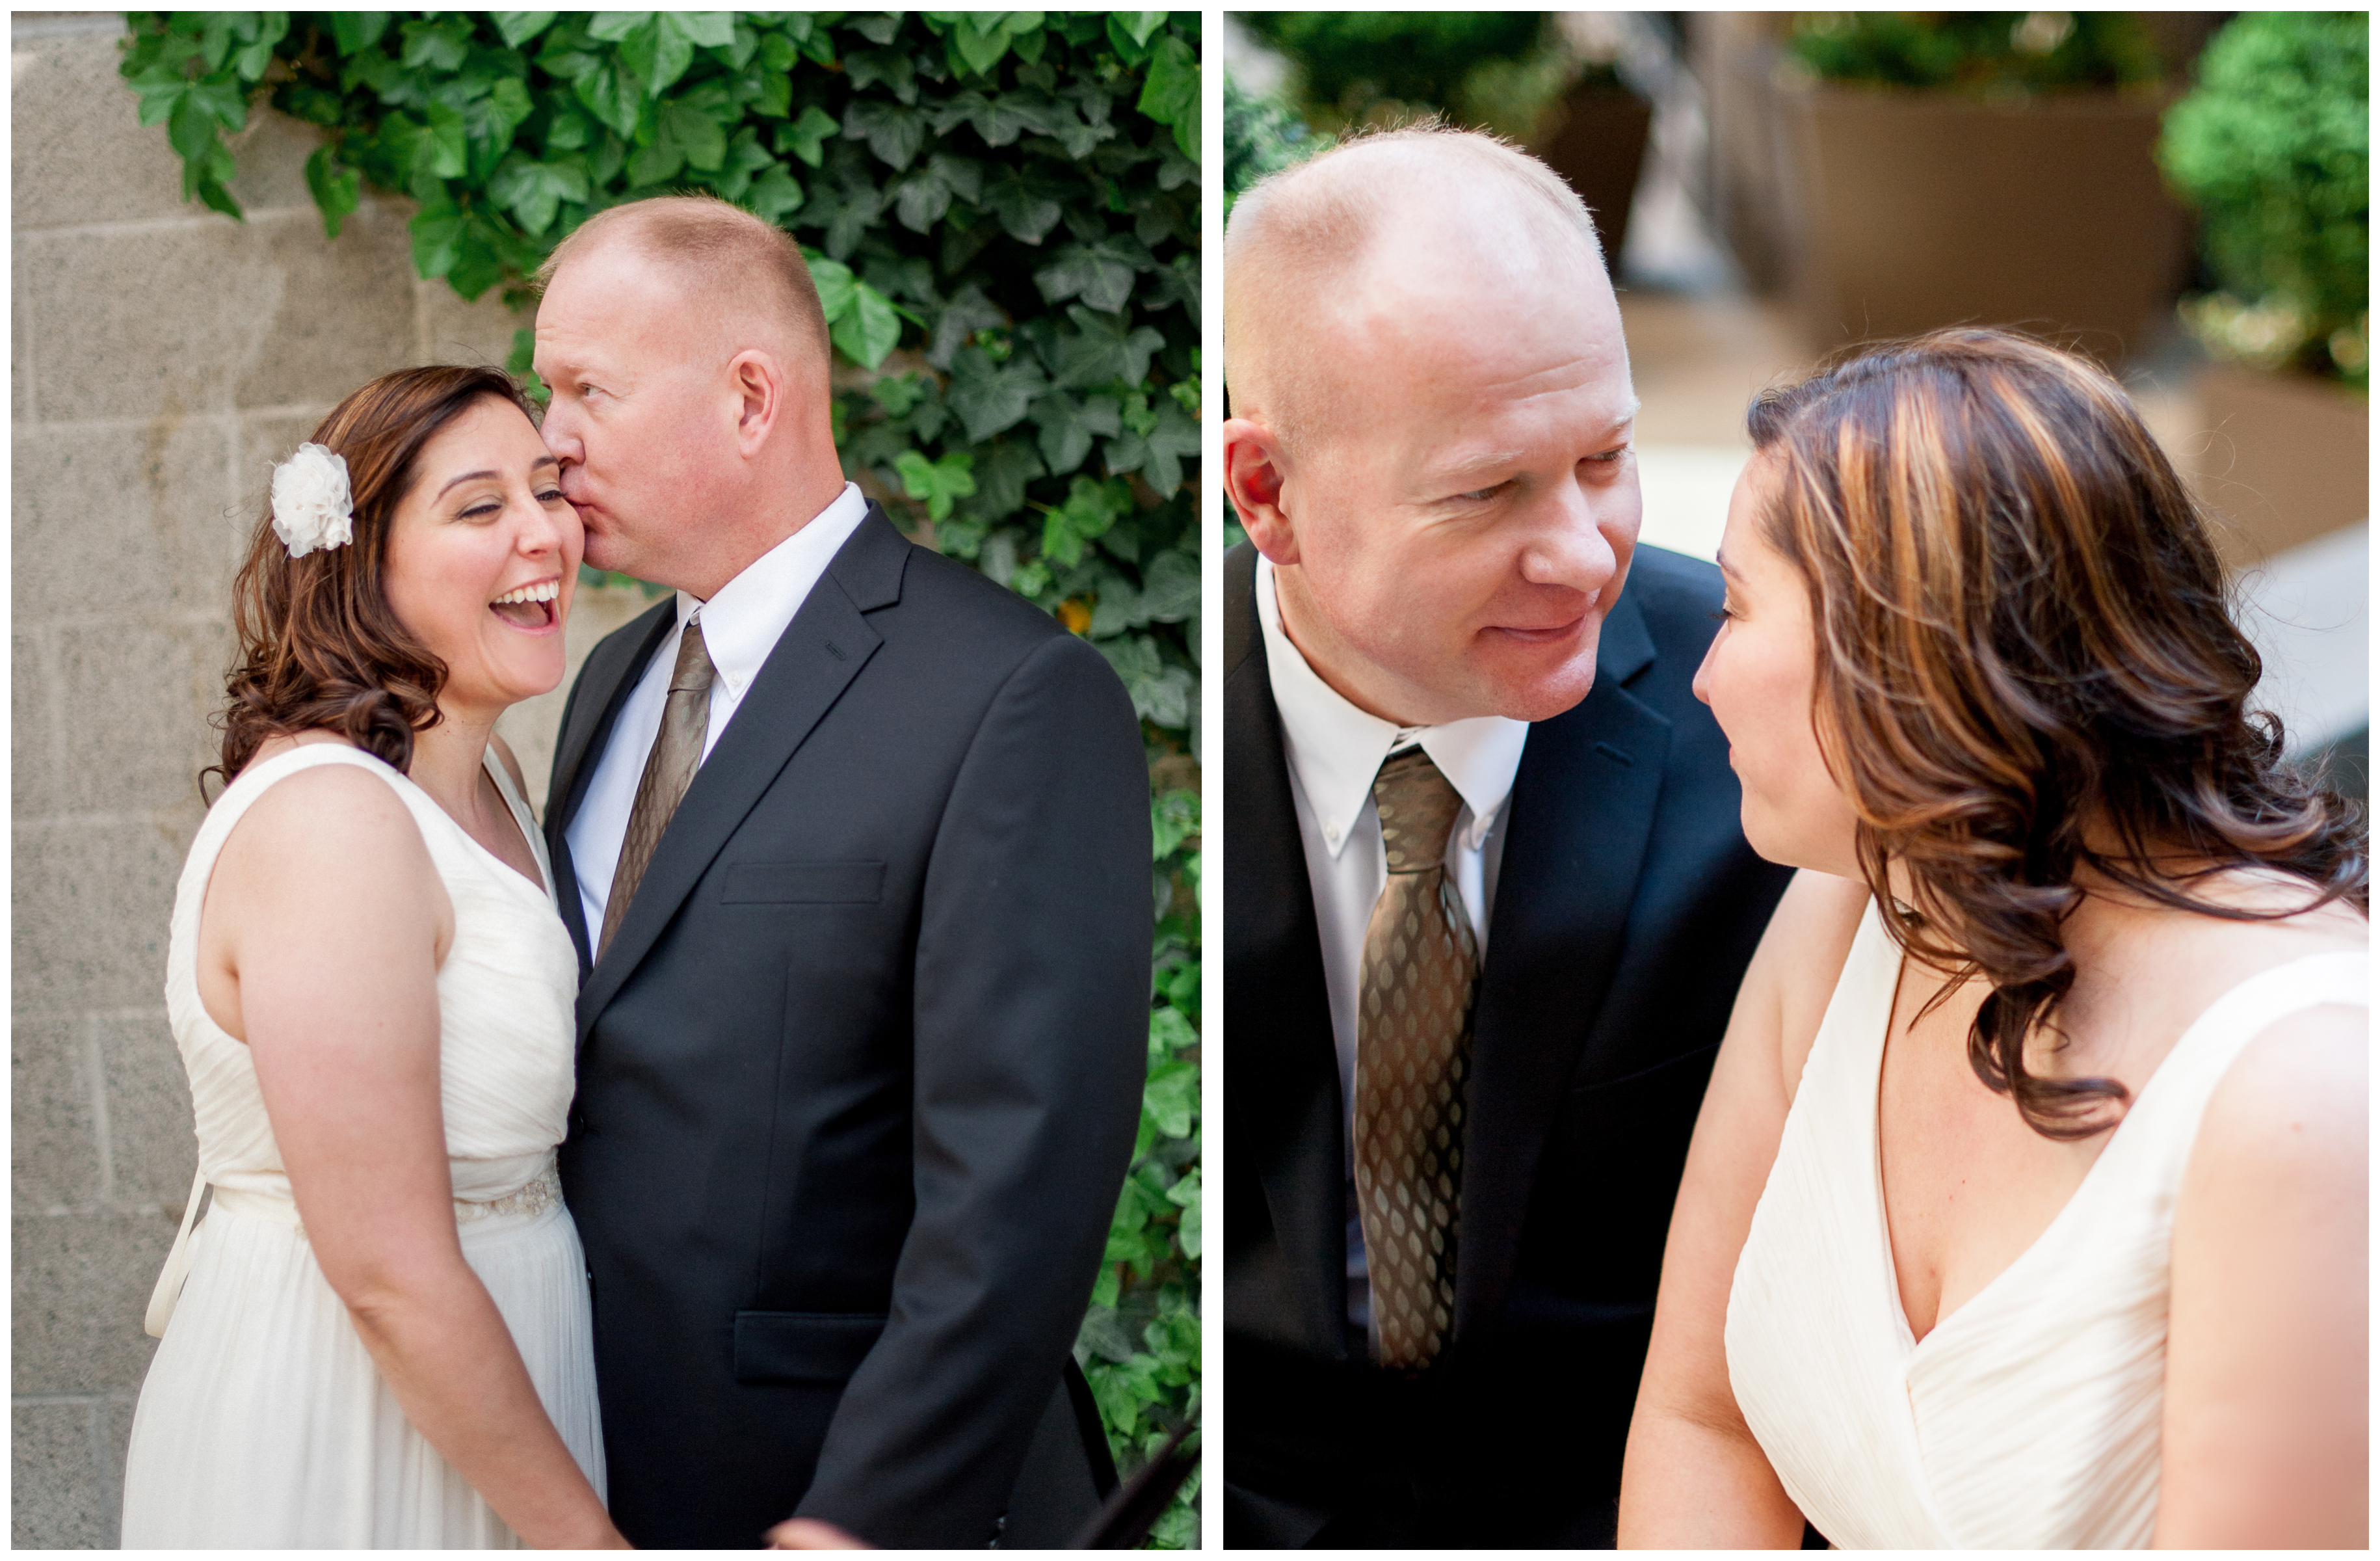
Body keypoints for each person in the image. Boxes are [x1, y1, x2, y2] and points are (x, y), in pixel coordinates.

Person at [1620, 329, 2368, 1549]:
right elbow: (1702, 1424)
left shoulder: (2303, 1092)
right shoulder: (1853, 906)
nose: (1701, 677)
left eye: (1737, 607)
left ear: (1900, 654)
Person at [531, 195, 1152, 1549]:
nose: (550, 438)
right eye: (547, 390)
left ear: (751, 398)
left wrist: (861, 1520)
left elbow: (1020, 1176)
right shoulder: (608, 683)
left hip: (843, 1492)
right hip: (603, 1477)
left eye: (589, 389)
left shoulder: (1011, 696)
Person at [1217, 125, 1794, 1546]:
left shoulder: (1778, 718)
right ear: (1268, 494)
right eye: (1487, 493)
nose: (1586, 554)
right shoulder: (1102, 751)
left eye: (1605, 456)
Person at [121, 365, 624, 1547]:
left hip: (502, 1398)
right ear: (363, 563)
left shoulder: (490, 783)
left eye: (546, 490)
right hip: (341, 1413)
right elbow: (389, 1273)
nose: (543, 532)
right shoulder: (334, 823)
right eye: (479, 506)